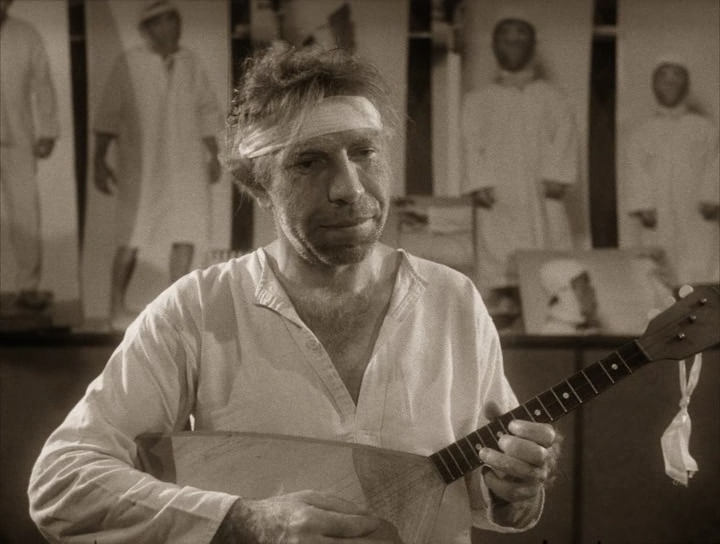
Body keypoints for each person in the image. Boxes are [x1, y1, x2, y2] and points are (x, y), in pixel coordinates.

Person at [29, 45, 559, 543]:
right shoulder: (199, 310)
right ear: (258, 185)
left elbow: (491, 493)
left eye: (364, 152)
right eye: (309, 162)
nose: (350, 188)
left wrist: (515, 491)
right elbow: (62, 482)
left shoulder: (452, 301)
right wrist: (247, 522)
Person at [92, 0, 222, 329]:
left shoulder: (191, 63)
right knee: (132, 233)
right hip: (142, 163)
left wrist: (213, 154)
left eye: (174, 21)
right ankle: (115, 308)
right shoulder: (129, 62)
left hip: (186, 160)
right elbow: (108, 113)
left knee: (186, 229)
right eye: (162, 22)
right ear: (147, 30)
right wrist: (98, 160)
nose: (171, 28)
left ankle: (174, 309)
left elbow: (207, 109)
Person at [461, 15, 579, 308]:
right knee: (499, 263)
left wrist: (558, 176)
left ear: (533, 45)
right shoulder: (477, 100)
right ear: (494, 45)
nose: (513, 43)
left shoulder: (554, 98)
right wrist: (479, 181)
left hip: (542, 194)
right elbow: (471, 142)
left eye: (521, 36)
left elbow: (565, 137)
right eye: (506, 37)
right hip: (499, 196)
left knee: (547, 256)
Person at [626, 57, 720, 286]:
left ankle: (701, 302)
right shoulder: (641, 132)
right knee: (660, 264)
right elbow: (635, 169)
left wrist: (712, 196)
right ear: (653, 85)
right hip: (658, 210)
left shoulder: (705, 128)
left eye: (677, 76)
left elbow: (716, 162)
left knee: (702, 259)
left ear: (687, 84)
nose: (669, 82)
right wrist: (644, 203)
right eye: (662, 77)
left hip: (697, 208)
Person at [0, 0, 59, 310]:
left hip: (17, 138)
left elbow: (43, 83)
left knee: (25, 212)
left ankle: (27, 287)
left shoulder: (25, 34)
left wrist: (48, 130)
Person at [539, 259, 600, 335]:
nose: (592, 293)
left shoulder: (586, 329)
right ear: (565, 294)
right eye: (584, 289)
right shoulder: (553, 331)